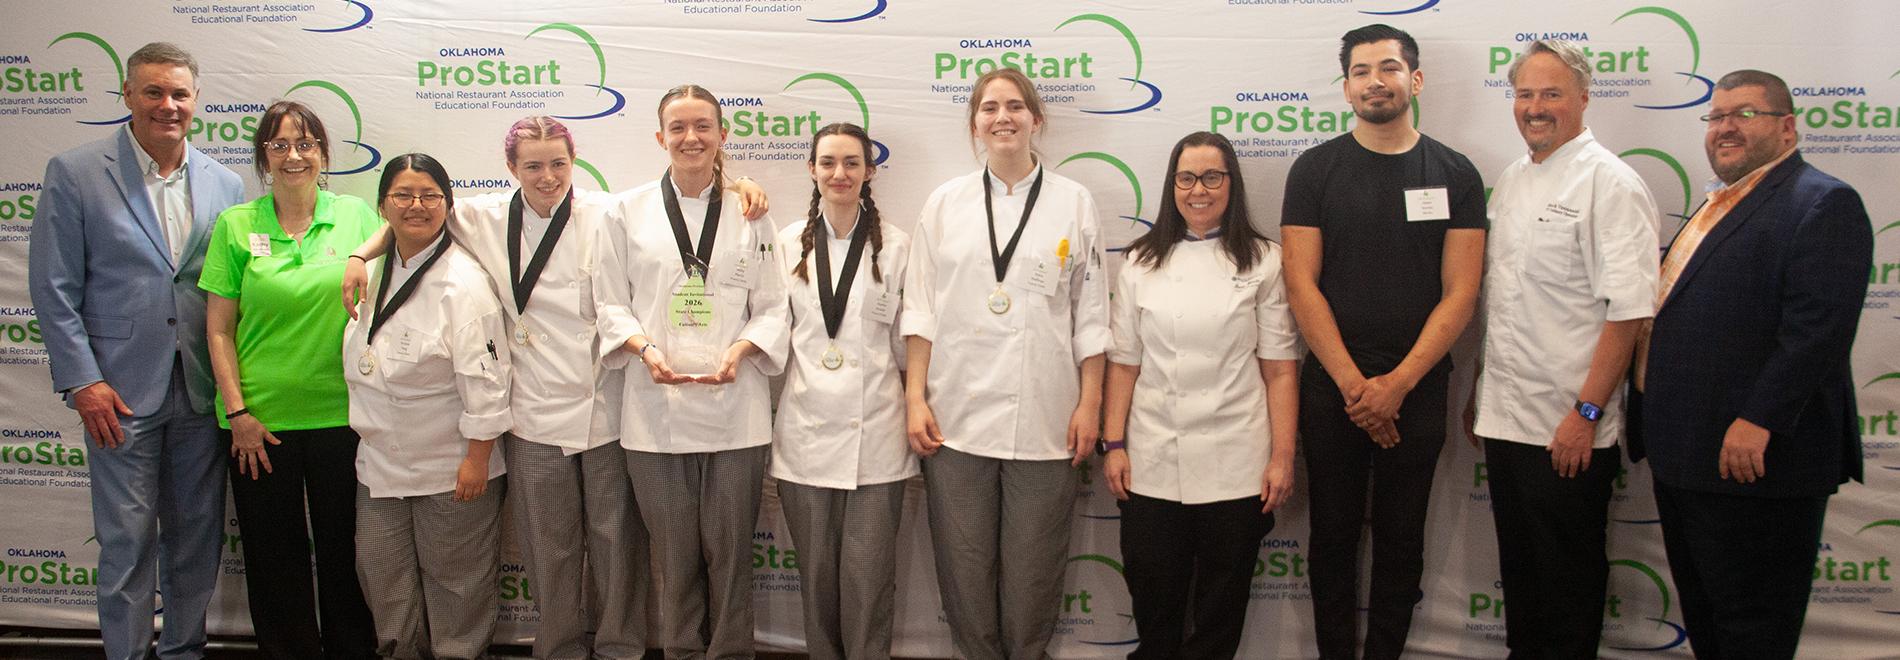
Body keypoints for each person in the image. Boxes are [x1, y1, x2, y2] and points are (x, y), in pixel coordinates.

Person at [340, 116, 702, 659]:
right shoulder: (484, 217)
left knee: (615, 544)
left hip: (603, 406)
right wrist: (359, 254)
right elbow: (412, 214)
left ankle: (619, 648)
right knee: (547, 549)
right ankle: (557, 648)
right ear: (511, 168)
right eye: (532, 165)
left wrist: (738, 185)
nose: (547, 176)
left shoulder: (607, 212)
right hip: (531, 413)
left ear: (573, 160)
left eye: (558, 163)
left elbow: (681, 197)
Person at [1631, 69, 1872, 660]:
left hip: (1758, 463)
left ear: (1787, 128)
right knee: (1711, 622)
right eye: (1715, 117)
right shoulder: (1721, 201)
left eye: (1743, 114)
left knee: (1753, 628)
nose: (1724, 128)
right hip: (1689, 455)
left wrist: (1760, 418)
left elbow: (1818, 332)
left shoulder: (1822, 202)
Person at [26, 41, 244, 660]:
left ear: (196, 101)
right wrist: (83, 381)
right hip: (117, 395)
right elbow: (53, 286)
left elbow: (228, 293)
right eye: (153, 92)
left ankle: (182, 652)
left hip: (201, 393)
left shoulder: (225, 184)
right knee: (125, 542)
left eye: (179, 93)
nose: (167, 105)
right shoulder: (75, 172)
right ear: (127, 95)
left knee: (196, 540)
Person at [1280, 24, 1486, 660]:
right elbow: (1301, 285)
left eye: (1389, 68)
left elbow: (1461, 294)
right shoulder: (1315, 169)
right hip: (1332, 389)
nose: (1377, 81)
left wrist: (1396, 386)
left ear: (1414, 80)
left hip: (1418, 391)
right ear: (1346, 88)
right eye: (1363, 71)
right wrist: (1354, 387)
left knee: (1402, 539)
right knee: (1333, 537)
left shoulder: (1456, 173)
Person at [901, 66, 1109, 660]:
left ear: (1036, 119)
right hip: (955, 418)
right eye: (990, 108)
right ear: (974, 124)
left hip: (1046, 416)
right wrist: (916, 398)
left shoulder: (1073, 201)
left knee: (1033, 574)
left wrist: (1090, 404)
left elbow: (1090, 315)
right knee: (964, 572)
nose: (1003, 117)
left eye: (1015, 106)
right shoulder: (946, 203)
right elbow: (921, 313)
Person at [1468, 39, 1662, 660]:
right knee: (1522, 579)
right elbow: (1506, 300)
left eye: (1551, 94)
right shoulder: (1512, 179)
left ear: (1583, 98)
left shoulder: (1611, 182)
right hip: (1506, 421)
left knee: (1568, 586)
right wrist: (1481, 390)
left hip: (1569, 428)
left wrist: (1586, 414)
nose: (1536, 107)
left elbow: (1629, 311)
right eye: (1525, 94)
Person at [595, 83, 790, 660]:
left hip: (737, 408)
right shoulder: (624, 211)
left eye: (703, 126)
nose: (691, 137)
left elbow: (774, 304)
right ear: (660, 138)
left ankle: (731, 652)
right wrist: (644, 348)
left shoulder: (750, 212)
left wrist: (743, 350)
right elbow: (609, 302)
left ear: (722, 135)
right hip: (655, 409)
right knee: (673, 551)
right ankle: (681, 650)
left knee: (731, 552)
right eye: (678, 127)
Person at [1100, 131, 1299, 660]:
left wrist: (1282, 458)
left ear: (1231, 183)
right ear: (1172, 186)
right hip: (1152, 455)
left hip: (1237, 457)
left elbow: (1280, 371)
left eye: (1213, 177)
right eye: (1186, 178)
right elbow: (1123, 364)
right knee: (1154, 598)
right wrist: (1113, 444)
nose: (1199, 190)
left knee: (1220, 607)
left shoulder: (1264, 260)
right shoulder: (1141, 260)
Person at [200, 100, 380, 657]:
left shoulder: (355, 217)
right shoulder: (236, 225)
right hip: (260, 424)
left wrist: (358, 253)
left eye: (305, 144)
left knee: (346, 554)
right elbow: (219, 332)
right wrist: (238, 414)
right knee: (273, 558)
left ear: (324, 154)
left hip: (344, 418)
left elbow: (404, 241)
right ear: (263, 157)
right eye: (279, 145)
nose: (293, 155)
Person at [344, 153, 511, 660]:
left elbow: (488, 382)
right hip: (379, 466)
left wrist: (477, 458)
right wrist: (356, 255)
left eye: (429, 196)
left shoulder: (462, 283)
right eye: (402, 195)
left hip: (452, 467)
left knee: (457, 593)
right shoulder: (372, 271)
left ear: (447, 205)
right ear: (383, 205)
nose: (416, 206)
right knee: (386, 585)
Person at [771, 122, 914, 660]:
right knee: (817, 582)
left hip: (875, 437)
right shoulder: (785, 245)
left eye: (851, 163)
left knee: (869, 581)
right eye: (828, 162)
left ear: (869, 172)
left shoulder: (896, 247)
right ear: (812, 170)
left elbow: (907, 346)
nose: (840, 173)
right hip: (805, 436)